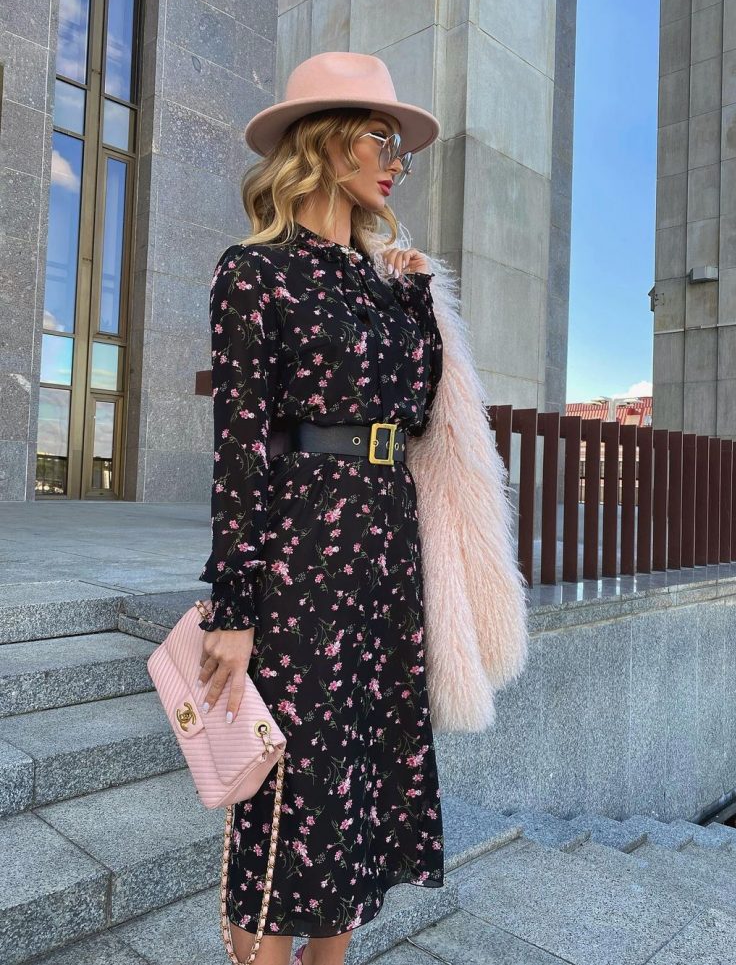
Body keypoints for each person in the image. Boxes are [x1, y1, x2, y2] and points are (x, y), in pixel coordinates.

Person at [195, 52, 446, 965]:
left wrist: (415, 300)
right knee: (290, 786)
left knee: (361, 785)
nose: (395, 162)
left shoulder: (382, 282)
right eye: (382, 138)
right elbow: (240, 449)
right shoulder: (254, 273)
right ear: (326, 140)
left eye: (399, 146)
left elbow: (417, 408)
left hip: (385, 547)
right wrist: (233, 609)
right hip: (303, 549)